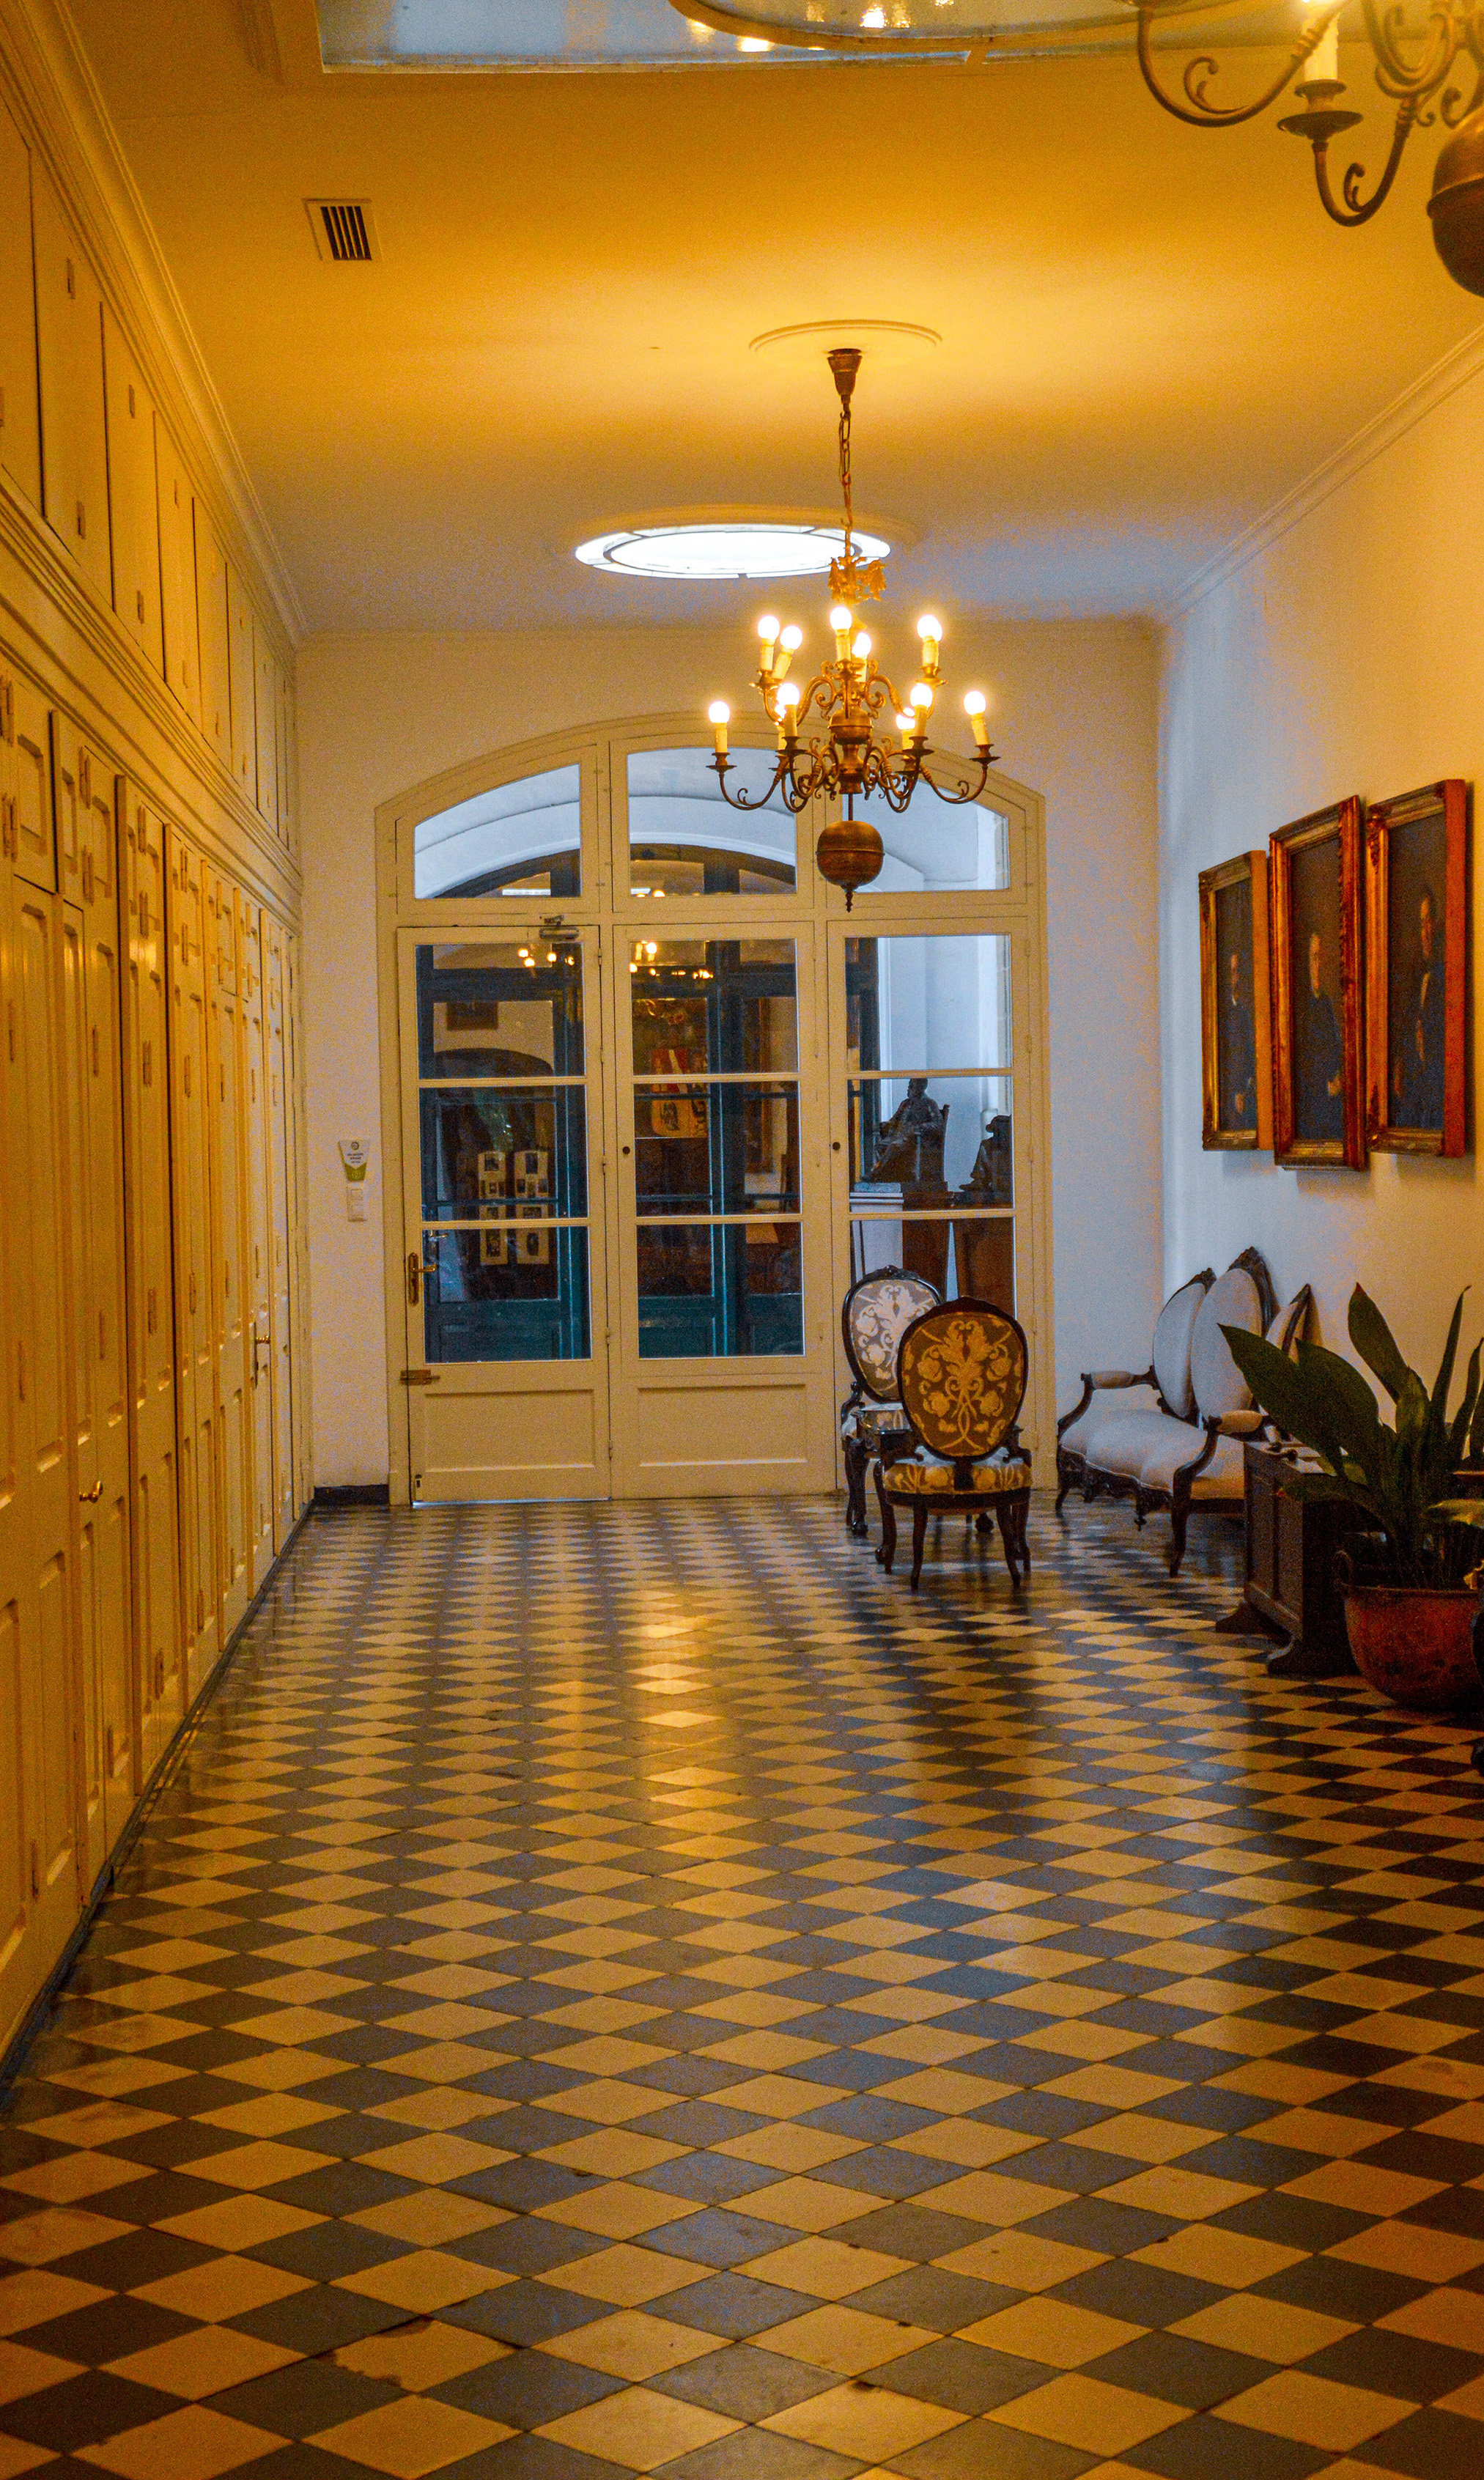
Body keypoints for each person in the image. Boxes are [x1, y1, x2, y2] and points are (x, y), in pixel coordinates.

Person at [1394, 885, 1445, 1130]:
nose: (1424, 932)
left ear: (1435, 925)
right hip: (1418, 1085)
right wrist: (1402, 1063)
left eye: (1427, 922)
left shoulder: (1443, 976)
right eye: (1420, 923)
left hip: (1436, 1087)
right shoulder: (1419, 977)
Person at [1299, 929, 1344, 1142]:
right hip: (1313, 1107)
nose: (1319, 965)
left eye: (1321, 959)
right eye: (1314, 958)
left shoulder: (1325, 1002)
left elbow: (1336, 1047)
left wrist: (1339, 1076)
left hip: (1332, 1103)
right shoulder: (1302, 1008)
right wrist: (1326, 1086)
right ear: (1307, 963)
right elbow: (1302, 1065)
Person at [1219, 946, 1257, 1131]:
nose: (1237, 978)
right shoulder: (1223, 1014)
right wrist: (1235, 1092)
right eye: (1233, 972)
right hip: (1231, 1095)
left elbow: (1249, 1051)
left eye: (1238, 971)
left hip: (1246, 1092)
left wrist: (1246, 1086)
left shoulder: (1243, 1011)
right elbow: (1227, 1059)